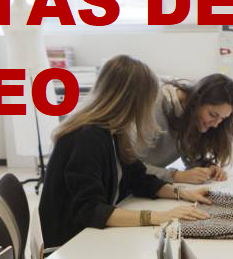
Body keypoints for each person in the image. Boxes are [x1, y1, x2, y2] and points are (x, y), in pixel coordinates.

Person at [39, 55, 211, 248]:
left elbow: (139, 178)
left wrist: (184, 194)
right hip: (70, 245)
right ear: (133, 101)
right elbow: (90, 210)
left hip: (88, 236)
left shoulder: (113, 131)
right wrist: (159, 216)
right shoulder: (87, 137)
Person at [141, 74, 233, 184]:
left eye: (222, 119)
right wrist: (175, 175)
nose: (216, 125)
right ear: (197, 101)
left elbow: (190, 154)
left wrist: (207, 166)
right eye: (212, 114)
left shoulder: (193, 116)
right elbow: (130, 167)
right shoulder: (154, 108)